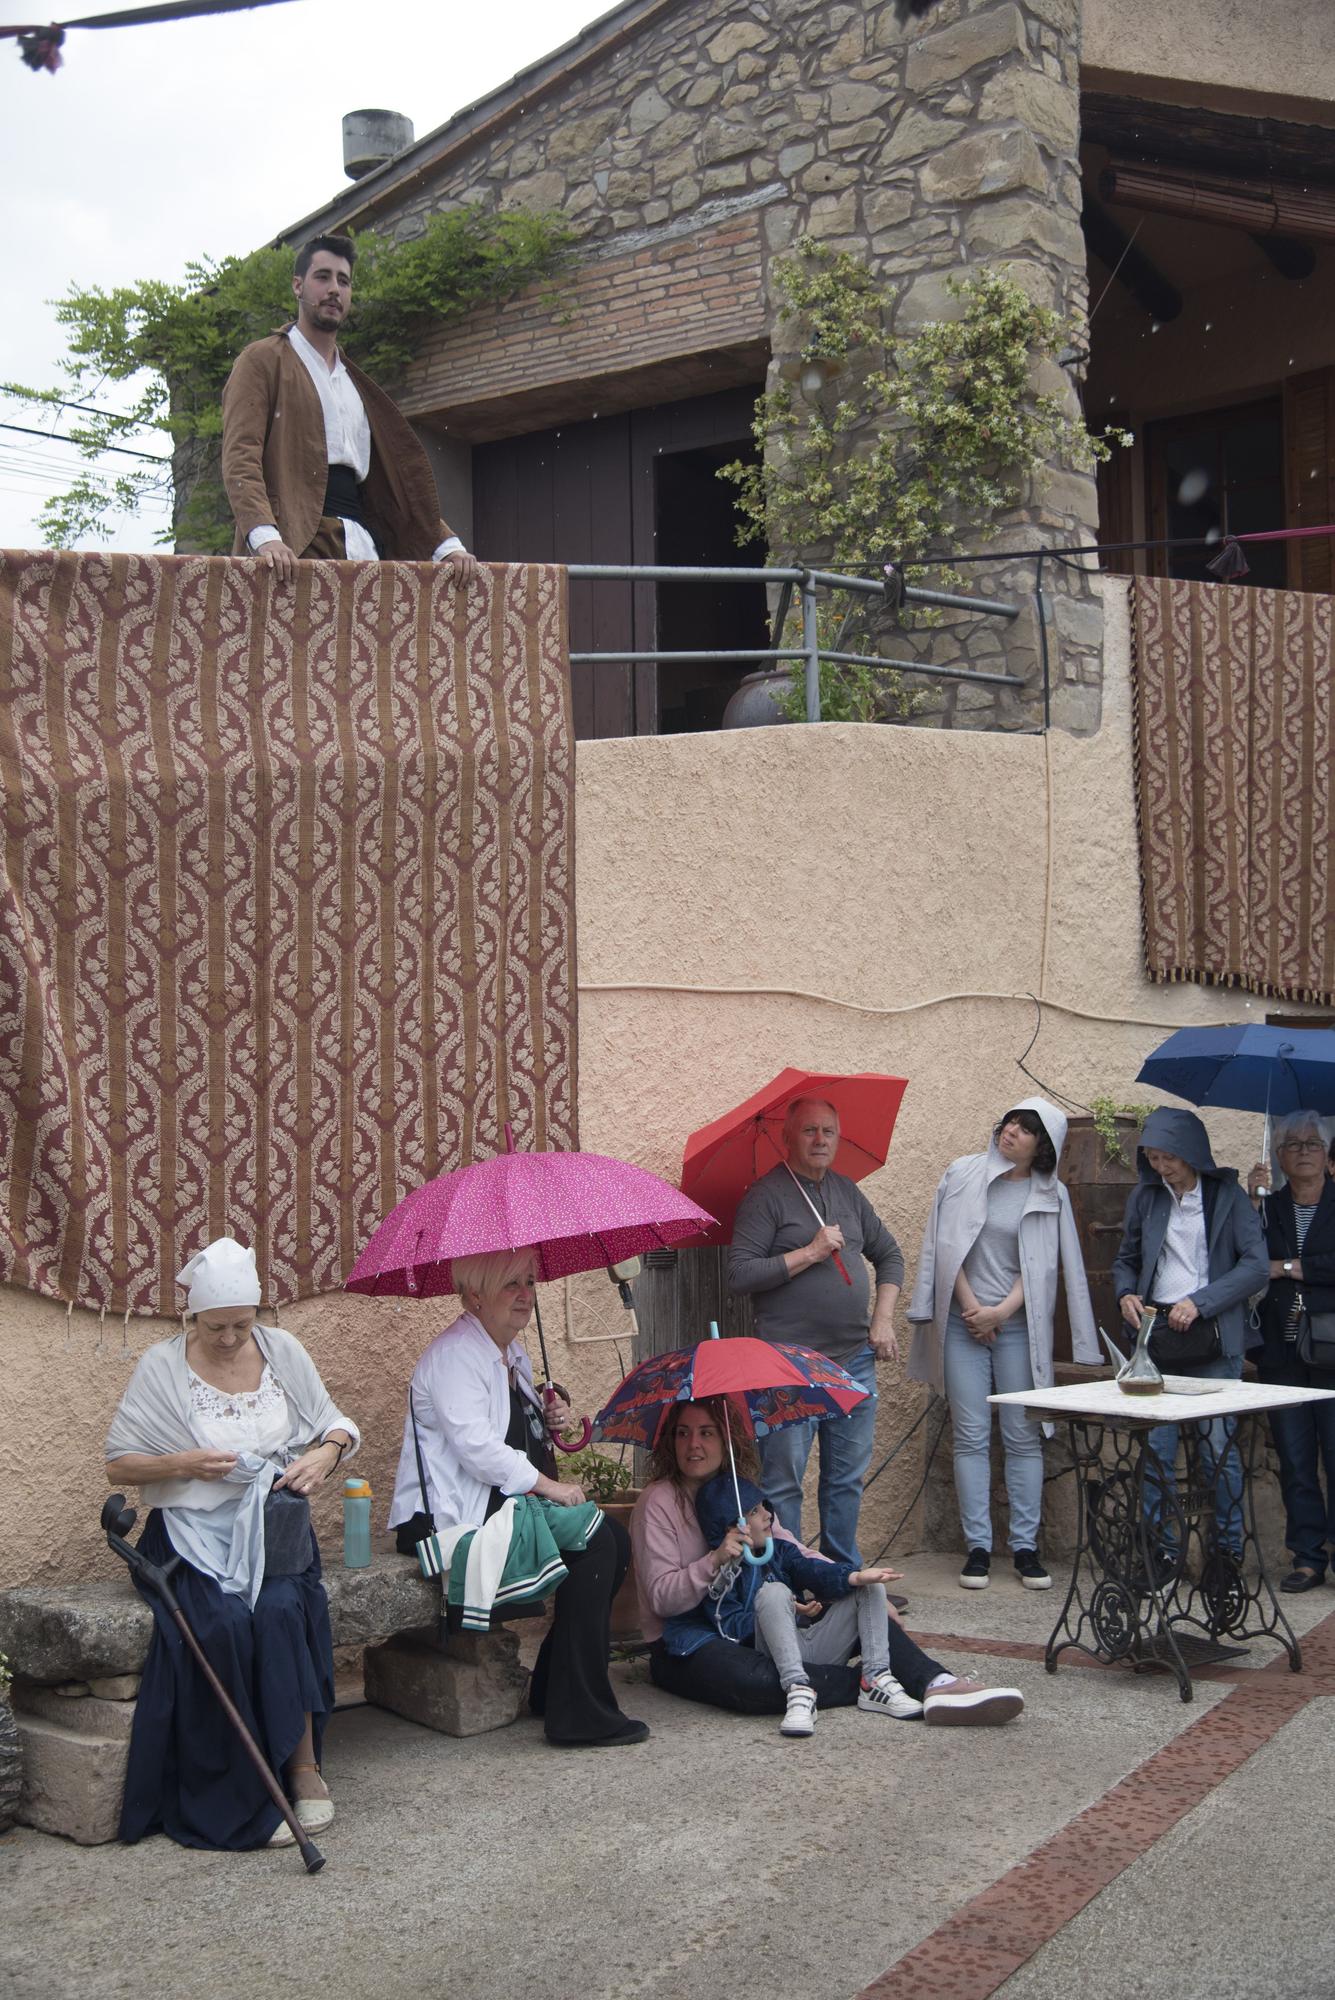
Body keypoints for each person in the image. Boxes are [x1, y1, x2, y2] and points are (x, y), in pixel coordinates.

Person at [105, 1236, 359, 1850]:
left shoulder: (282, 1351)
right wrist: (185, 1462)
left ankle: (302, 1768)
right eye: (215, 1326)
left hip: (272, 1534)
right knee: (221, 1623)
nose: (228, 1338)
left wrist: (322, 1456)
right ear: (192, 1317)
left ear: (258, 1315)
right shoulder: (161, 1368)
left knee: (278, 1611)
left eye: (240, 1326)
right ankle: (242, 1789)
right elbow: (119, 1466)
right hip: (189, 1537)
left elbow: (338, 1425)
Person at [387, 1248, 647, 1748]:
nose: (525, 1295)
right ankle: (579, 1715)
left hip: (499, 1506)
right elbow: (477, 1449)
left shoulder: (512, 1355)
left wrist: (545, 1417)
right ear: (473, 1296)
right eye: (511, 1284)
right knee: (597, 1543)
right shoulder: (455, 1356)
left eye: (528, 1282)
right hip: (448, 1518)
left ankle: (554, 1688)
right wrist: (551, 1486)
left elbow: (511, 1435)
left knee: (612, 1537)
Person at [631, 1398, 1025, 1726]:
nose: (693, 1445)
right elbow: (662, 1600)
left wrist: (853, 1581)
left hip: (761, 1630)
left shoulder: (742, 1494)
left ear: (727, 1440)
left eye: (706, 1432)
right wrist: (713, 1561)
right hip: (687, 1643)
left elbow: (793, 1551)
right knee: (751, 1683)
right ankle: (868, 1682)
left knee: (864, 1610)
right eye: (682, 1433)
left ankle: (936, 1682)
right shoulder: (659, 1501)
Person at [907, 1098, 1098, 1592]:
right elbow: (946, 1246)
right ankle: (977, 1549)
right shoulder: (963, 1173)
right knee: (970, 1435)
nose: (1011, 1131)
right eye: (1010, 1121)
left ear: (1043, 1147)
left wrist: (1001, 1312)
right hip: (962, 1322)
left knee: (1022, 1435)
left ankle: (1026, 1549)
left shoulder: (1050, 1193)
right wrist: (973, 1311)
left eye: (1026, 1128)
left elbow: (1046, 1265)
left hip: (1018, 1325)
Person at [221, 233, 479, 582]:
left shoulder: (356, 384)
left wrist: (444, 543)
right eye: (322, 277)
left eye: (343, 281)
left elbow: (390, 489)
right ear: (298, 286)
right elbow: (241, 457)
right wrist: (265, 537)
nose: (334, 289)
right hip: (290, 548)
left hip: (361, 548)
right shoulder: (262, 360)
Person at [728, 1096, 904, 1564]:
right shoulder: (765, 1196)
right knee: (784, 1481)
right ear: (787, 1139)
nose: (820, 1139)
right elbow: (740, 1273)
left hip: (854, 1360)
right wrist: (809, 1252)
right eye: (809, 1131)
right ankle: (793, 1578)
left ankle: (844, 1576)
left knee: (845, 1478)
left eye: (828, 1131)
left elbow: (890, 1256)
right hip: (789, 1364)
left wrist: (883, 1320)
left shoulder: (847, 1192)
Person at [1112, 1106, 1268, 1562]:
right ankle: (1161, 1552)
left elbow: (1256, 1266)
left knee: (1218, 1447)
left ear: (1192, 1154)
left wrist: (1200, 1302)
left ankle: (1227, 1554)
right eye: (1154, 1158)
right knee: (1157, 1449)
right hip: (1157, 1340)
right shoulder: (1146, 1196)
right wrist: (1125, 1293)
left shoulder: (1228, 1197)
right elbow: (1127, 1257)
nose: (1162, 1168)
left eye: (1170, 1158)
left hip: (1214, 1339)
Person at [667, 1471, 918, 1736]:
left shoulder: (781, 1550)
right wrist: (777, 1610)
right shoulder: (722, 1573)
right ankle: (798, 1691)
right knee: (774, 1592)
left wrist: (853, 1576)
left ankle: (875, 1679)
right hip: (772, 1657)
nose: (767, 1515)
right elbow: (729, 1627)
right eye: (754, 1511)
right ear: (733, 1526)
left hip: (808, 1643)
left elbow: (811, 1570)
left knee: (871, 1586)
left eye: (765, 1506)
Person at [1246, 1112, 1335, 1592]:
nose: (1303, 1150)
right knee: (1296, 1458)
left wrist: (1291, 1267)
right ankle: (1307, 1556)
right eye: (1293, 1144)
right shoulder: (1266, 1206)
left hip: (1333, 1350)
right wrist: (1249, 1198)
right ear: (1278, 1156)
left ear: (1326, 1154)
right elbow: (1245, 1260)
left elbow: (1279, 1267)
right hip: (1281, 1351)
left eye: (1313, 1143)